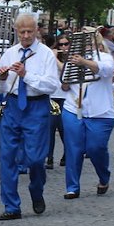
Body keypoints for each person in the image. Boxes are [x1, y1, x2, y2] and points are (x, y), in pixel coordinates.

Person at [0, 14, 60, 220]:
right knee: (7, 157)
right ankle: (11, 206)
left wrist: (26, 75)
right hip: (13, 106)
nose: (26, 35)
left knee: (36, 159)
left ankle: (36, 189)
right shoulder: (10, 53)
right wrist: (2, 78)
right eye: (22, 32)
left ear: (36, 31)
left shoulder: (46, 54)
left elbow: (51, 85)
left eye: (30, 31)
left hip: (37, 106)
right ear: (16, 31)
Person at [60, 28, 114, 198]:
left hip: (100, 112)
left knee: (95, 148)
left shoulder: (105, 57)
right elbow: (64, 85)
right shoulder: (73, 59)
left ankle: (104, 176)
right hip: (73, 108)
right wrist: (66, 75)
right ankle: (72, 187)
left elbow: (105, 70)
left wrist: (84, 62)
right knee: (73, 149)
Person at [46, 34, 68, 170]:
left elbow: (65, 73)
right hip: (52, 97)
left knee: (64, 129)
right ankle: (49, 157)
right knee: (50, 128)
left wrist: (55, 59)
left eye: (66, 44)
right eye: (61, 45)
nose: (64, 47)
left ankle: (67, 155)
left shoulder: (73, 60)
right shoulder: (50, 59)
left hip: (66, 98)